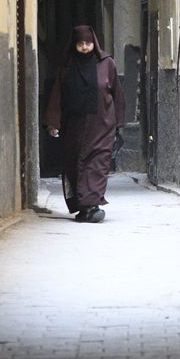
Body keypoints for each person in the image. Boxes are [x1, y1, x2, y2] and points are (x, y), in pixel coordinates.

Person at [44, 25, 125, 223]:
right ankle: (83, 207)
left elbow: (117, 95)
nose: (85, 48)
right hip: (74, 127)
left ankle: (93, 204)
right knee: (75, 164)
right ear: (75, 45)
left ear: (94, 43)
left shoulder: (106, 64)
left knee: (97, 163)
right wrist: (53, 122)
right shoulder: (66, 67)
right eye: (80, 44)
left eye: (88, 43)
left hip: (102, 124)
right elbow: (57, 96)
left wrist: (118, 124)